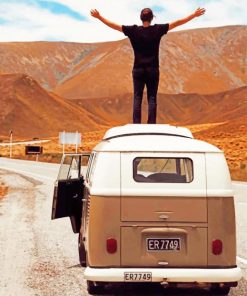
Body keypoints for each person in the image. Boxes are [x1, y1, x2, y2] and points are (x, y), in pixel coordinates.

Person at [90, 7, 205, 124]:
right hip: (153, 69)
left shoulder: (133, 31)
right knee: (152, 98)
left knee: (137, 97)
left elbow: (115, 26)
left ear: (141, 18)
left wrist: (99, 17)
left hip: (138, 70)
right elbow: (177, 23)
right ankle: (151, 124)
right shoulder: (158, 29)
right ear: (151, 18)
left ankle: (136, 124)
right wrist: (193, 15)